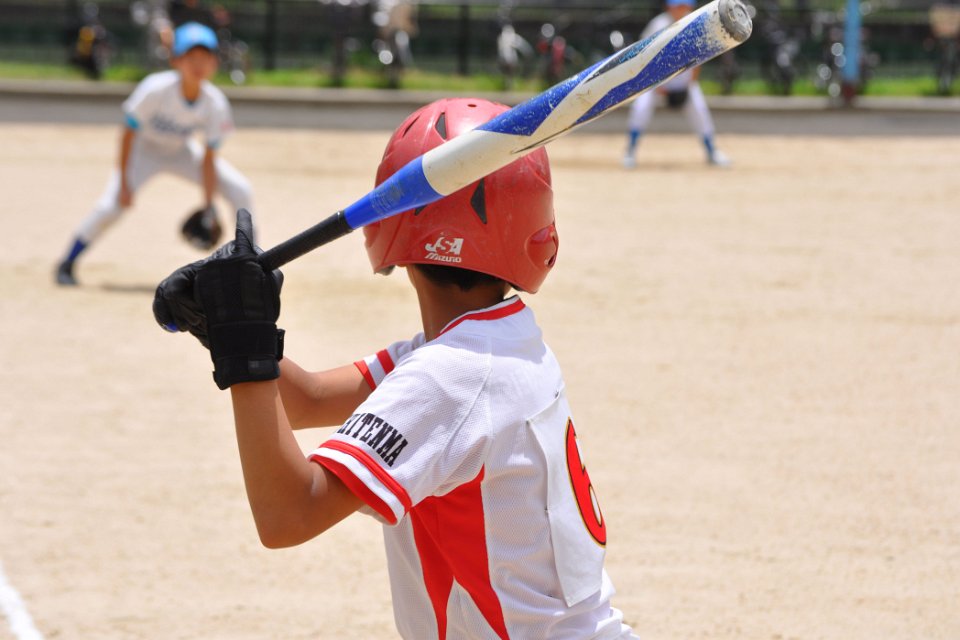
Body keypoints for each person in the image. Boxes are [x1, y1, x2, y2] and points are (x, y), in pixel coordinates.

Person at [152, 98, 640, 639]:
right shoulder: (492, 344)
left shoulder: (450, 377)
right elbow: (307, 400)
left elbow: (287, 514)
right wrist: (221, 327)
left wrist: (245, 352)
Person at [55, 22, 252, 286]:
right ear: (175, 60)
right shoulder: (155, 89)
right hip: (143, 152)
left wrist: (208, 205)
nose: (198, 64)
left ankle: (251, 266)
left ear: (215, 62)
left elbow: (208, 158)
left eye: (205, 58)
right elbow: (128, 134)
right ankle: (67, 262)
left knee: (240, 189)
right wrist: (124, 183)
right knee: (111, 206)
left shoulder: (215, 103)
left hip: (181, 151)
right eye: (190, 57)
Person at [622, 0, 731, 169]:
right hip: (654, 82)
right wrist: (657, 85)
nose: (680, 9)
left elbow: (700, 57)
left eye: (683, 5)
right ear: (669, 6)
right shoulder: (658, 24)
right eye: (677, 5)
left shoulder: (694, 24)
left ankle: (712, 151)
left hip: (683, 82)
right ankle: (630, 151)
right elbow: (644, 57)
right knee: (641, 108)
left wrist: (689, 84)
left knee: (699, 109)